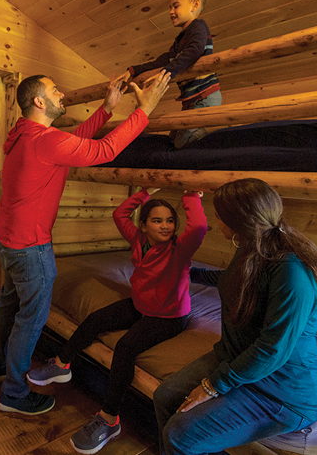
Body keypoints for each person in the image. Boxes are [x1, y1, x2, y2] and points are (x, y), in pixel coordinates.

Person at [0, 71, 173, 417]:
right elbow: (105, 149)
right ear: (40, 101)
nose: (62, 93)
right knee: (31, 319)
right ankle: (13, 393)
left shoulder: (23, 134)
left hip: (7, 239)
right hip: (30, 247)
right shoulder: (44, 139)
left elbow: (71, 141)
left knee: (8, 303)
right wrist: (144, 111)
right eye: (55, 90)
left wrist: (106, 109)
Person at [153, 178, 317, 455]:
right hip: (236, 357)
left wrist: (213, 386)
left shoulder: (293, 272)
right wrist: (188, 273)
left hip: (283, 390)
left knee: (180, 433)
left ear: (239, 220)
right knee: (165, 395)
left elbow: (272, 349)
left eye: (219, 217)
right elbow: (235, 280)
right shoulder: (253, 248)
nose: (216, 223)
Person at [28, 187, 207, 453]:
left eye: (170, 220)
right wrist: (144, 192)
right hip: (141, 304)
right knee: (96, 319)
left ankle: (109, 419)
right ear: (144, 224)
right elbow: (120, 214)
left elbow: (200, 227)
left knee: (125, 348)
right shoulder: (138, 239)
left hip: (168, 316)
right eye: (157, 220)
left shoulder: (179, 249)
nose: (166, 226)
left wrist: (191, 196)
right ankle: (61, 363)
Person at [123, 0, 221, 149]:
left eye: (175, 6)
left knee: (182, 143)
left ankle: (213, 140)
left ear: (195, 5)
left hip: (204, 96)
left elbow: (195, 50)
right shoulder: (181, 39)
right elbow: (163, 59)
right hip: (192, 100)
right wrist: (133, 70)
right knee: (173, 137)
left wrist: (166, 72)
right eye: (170, 8)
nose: (171, 12)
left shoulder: (198, 27)